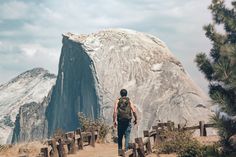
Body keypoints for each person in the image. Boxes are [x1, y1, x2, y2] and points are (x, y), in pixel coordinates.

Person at [113, 89, 137, 155]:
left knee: (120, 137)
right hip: (127, 121)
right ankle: (126, 152)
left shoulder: (118, 101)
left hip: (120, 121)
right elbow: (134, 110)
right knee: (127, 136)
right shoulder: (129, 101)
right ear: (126, 94)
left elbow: (115, 111)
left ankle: (120, 152)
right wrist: (136, 119)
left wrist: (114, 121)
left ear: (120, 94)